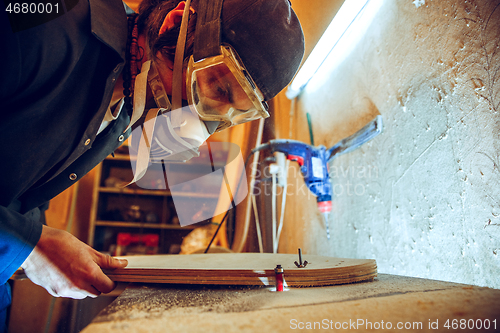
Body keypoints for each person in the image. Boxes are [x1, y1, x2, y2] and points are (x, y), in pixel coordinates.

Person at [0, 0, 304, 329]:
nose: (206, 123)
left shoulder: (127, 102)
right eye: (217, 87)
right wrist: (30, 247)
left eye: (230, 112)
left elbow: (23, 189)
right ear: (176, 23)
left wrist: (37, 241)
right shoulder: (38, 24)